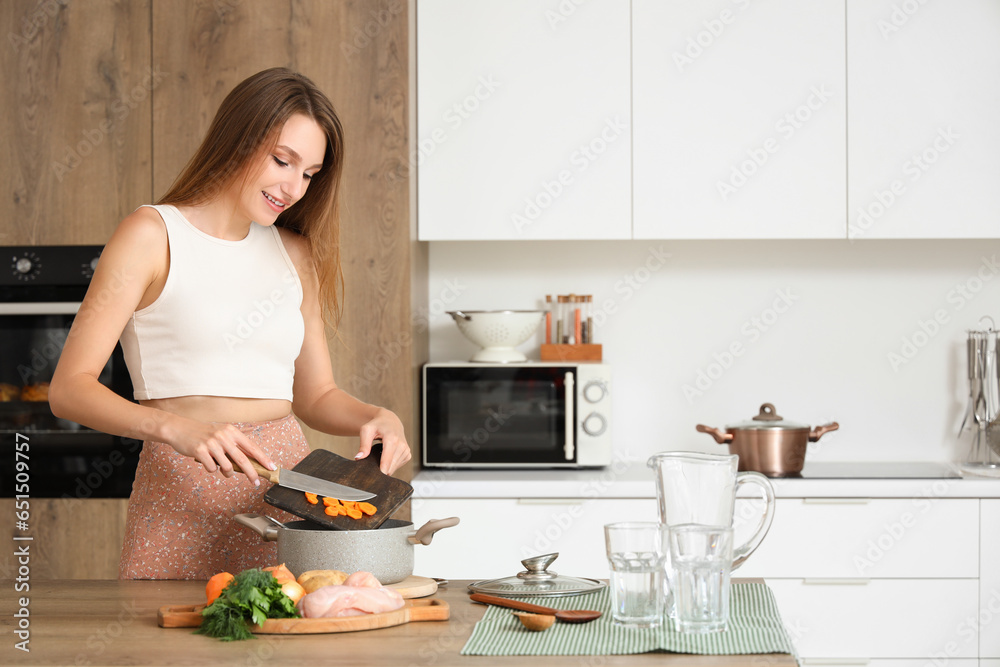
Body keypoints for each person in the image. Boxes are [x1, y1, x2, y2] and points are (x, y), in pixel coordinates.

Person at [49, 68, 411, 580]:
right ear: (237, 139)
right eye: (282, 161)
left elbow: (315, 397)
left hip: (288, 497)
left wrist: (378, 416)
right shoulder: (151, 235)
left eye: (309, 173)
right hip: (181, 491)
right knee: (169, 650)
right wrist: (176, 428)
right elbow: (69, 390)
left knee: (291, 646)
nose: (293, 187)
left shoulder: (295, 252)